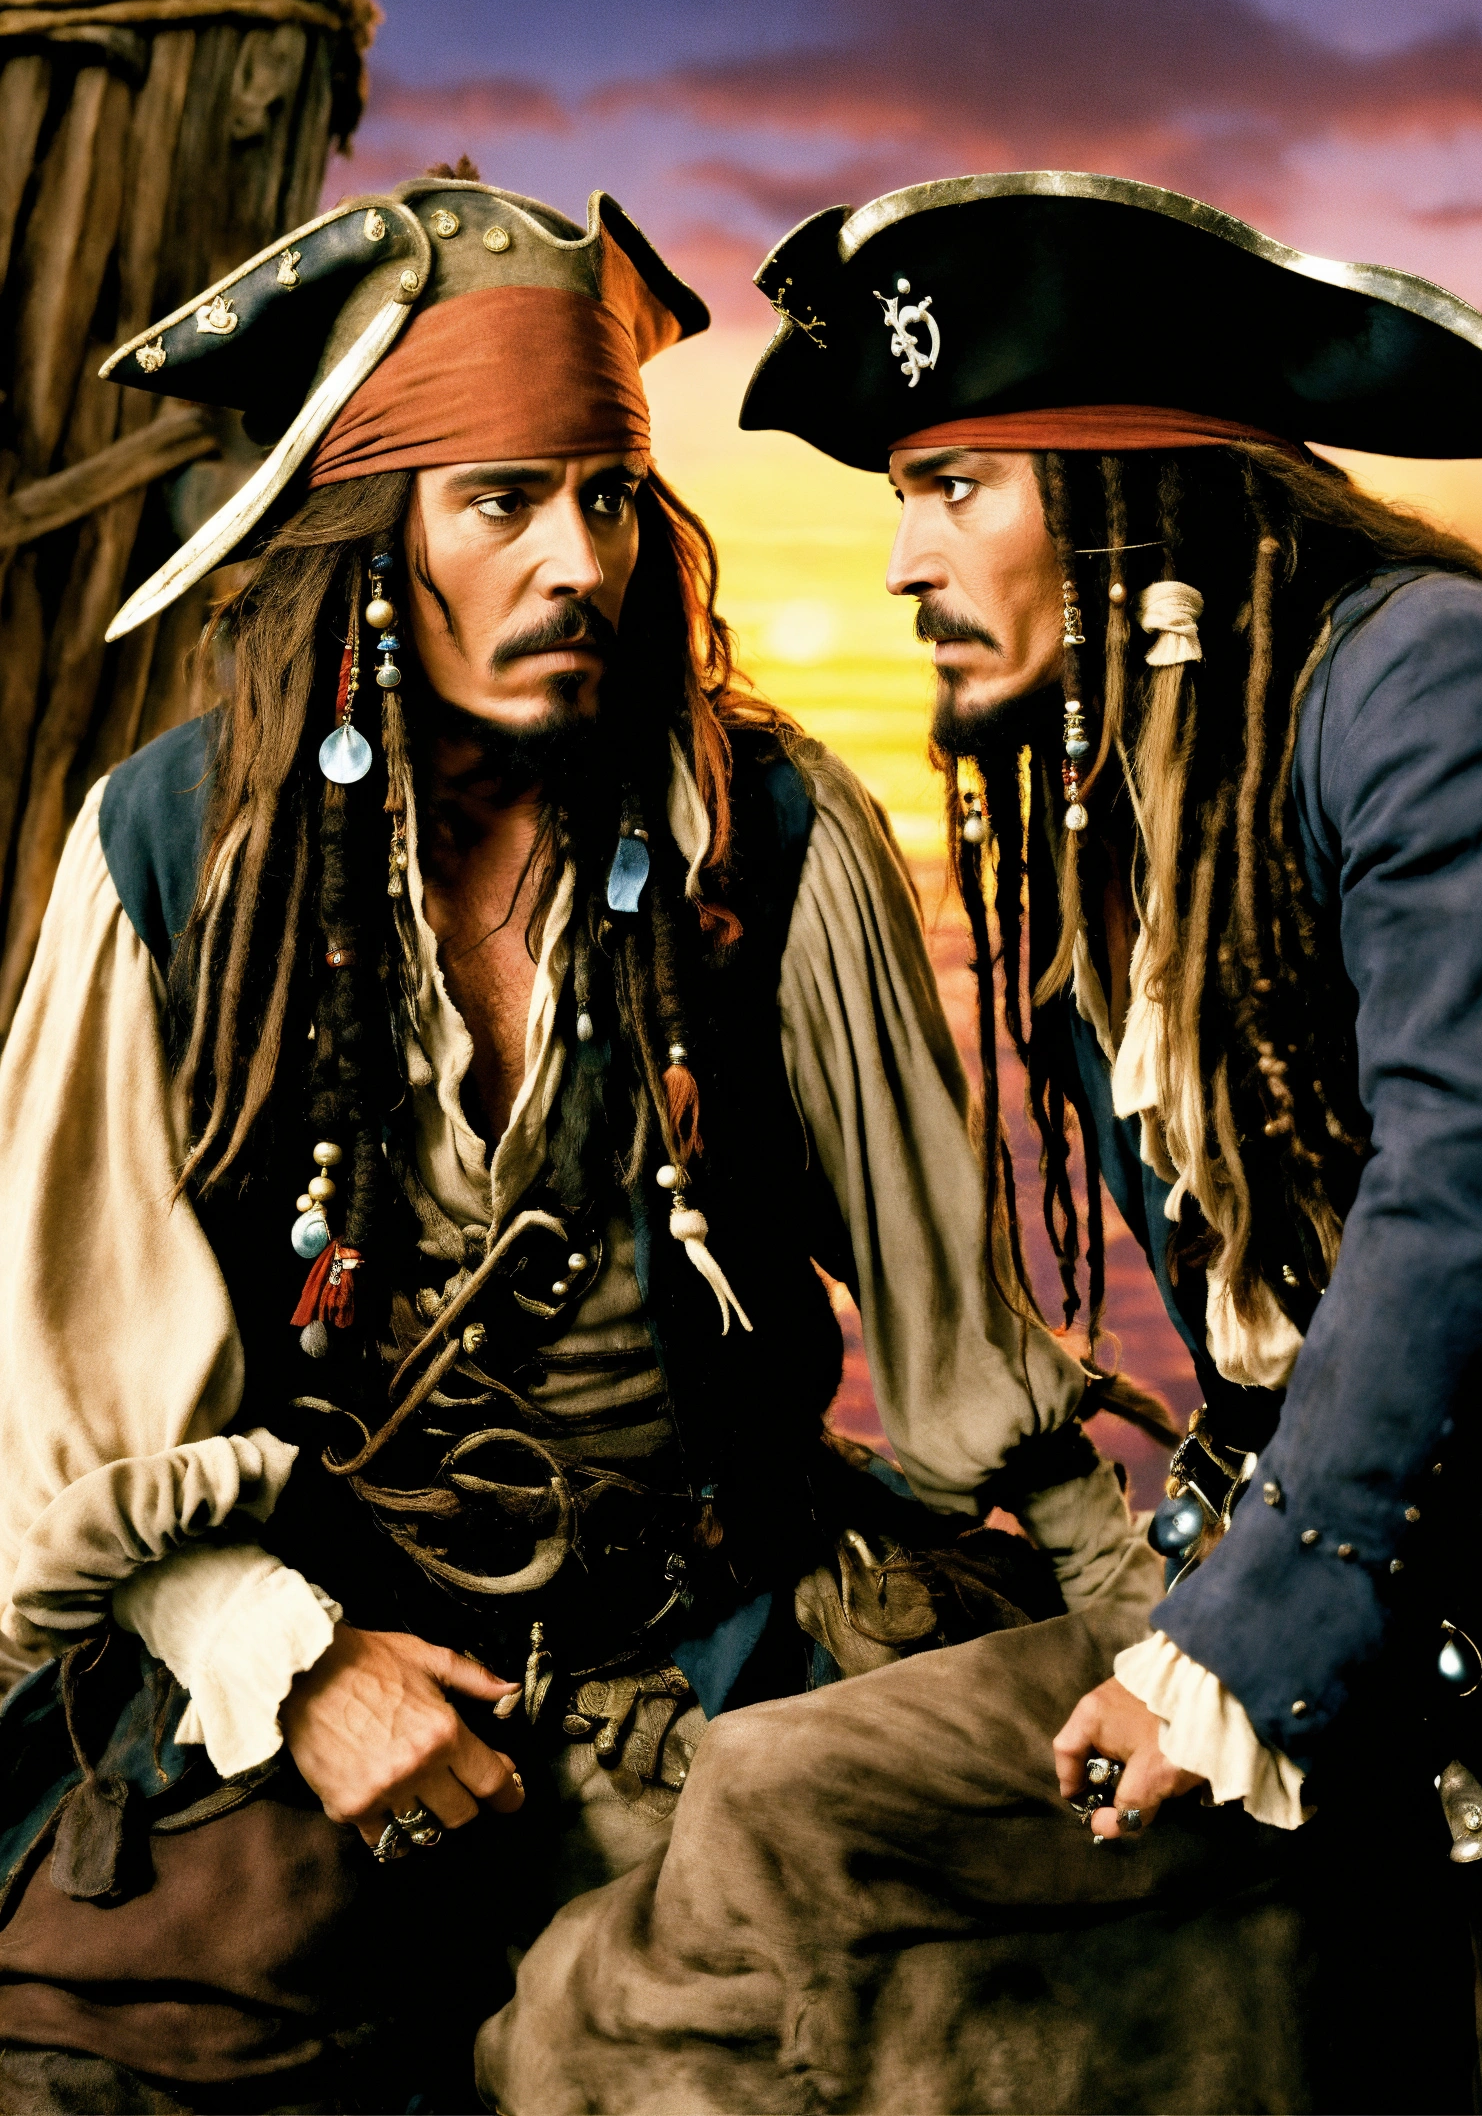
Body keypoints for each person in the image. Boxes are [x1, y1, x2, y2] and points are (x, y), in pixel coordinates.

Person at [481, 172, 1482, 2116]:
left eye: (957, 489)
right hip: (1318, 1628)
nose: (905, 563)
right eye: (902, 497)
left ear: (1129, 497)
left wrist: (1236, 1647)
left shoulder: (1440, 696)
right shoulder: (1122, 809)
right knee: (779, 1815)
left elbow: (1468, 1205)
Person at [0, 169, 1162, 2113]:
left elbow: (961, 1343)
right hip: (303, 1676)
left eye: (608, 498)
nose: (579, 564)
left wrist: (1168, 1647)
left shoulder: (766, 837)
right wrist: (290, 1660)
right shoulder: (171, 857)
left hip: (719, 1659)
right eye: (502, 502)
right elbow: (61, 1406)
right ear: (376, 533)